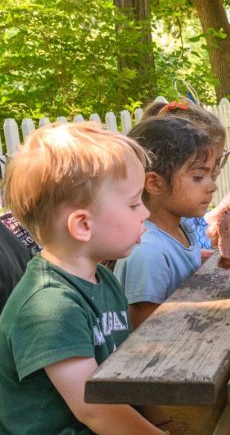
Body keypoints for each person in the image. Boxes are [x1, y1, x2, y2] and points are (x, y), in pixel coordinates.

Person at [0, 122, 168, 434]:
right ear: (82, 226)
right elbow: (95, 410)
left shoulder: (102, 278)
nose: (145, 213)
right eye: (133, 203)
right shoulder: (49, 307)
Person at [114, 116, 218, 329]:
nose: (212, 187)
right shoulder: (148, 252)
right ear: (154, 183)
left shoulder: (181, 227)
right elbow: (148, 332)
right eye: (199, 177)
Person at [142, 100, 229, 253]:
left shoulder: (183, 224)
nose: (215, 172)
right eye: (199, 175)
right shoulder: (150, 249)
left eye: (218, 162)